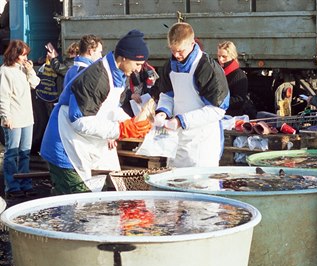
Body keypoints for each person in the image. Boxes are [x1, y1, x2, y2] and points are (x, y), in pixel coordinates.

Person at [40, 30, 153, 194]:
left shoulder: (117, 74)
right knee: (76, 205)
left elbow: (109, 108)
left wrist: (133, 121)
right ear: (123, 58)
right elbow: (79, 120)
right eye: (137, 64)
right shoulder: (97, 77)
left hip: (83, 144)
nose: (138, 69)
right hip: (65, 146)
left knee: (89, 203)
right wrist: (121, 129)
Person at [155, 22, 229, 168]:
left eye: (180, 51)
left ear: (192, 43)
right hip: (177, 140)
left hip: (202, 143)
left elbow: (217, 110)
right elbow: (167, 95)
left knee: (201, 187)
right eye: (172, 50)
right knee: (173, 184)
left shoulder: (207, 68)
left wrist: (181, 121)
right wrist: (162, 112)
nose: (176, 55)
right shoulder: (169, 66)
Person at [0, 40, 40, 199]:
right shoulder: (5, 72)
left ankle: (25, 183)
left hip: (27, 118)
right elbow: (3, 96)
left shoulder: (23, 70)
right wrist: (5, 116)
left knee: (25, 153)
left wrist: (30, 71)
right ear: (15, 54)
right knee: (12, 153)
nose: (25, 58)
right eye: (23, 54)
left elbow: (35, 84)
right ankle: (11, 186)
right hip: (14, 119)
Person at [216, 40, 256, 118]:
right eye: (219, 56)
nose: (220, 59)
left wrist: (220, 103)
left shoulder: (239, 75)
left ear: (232, 56)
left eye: (224, 56)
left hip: (232, 116)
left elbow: (239, 99)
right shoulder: (218, 71)